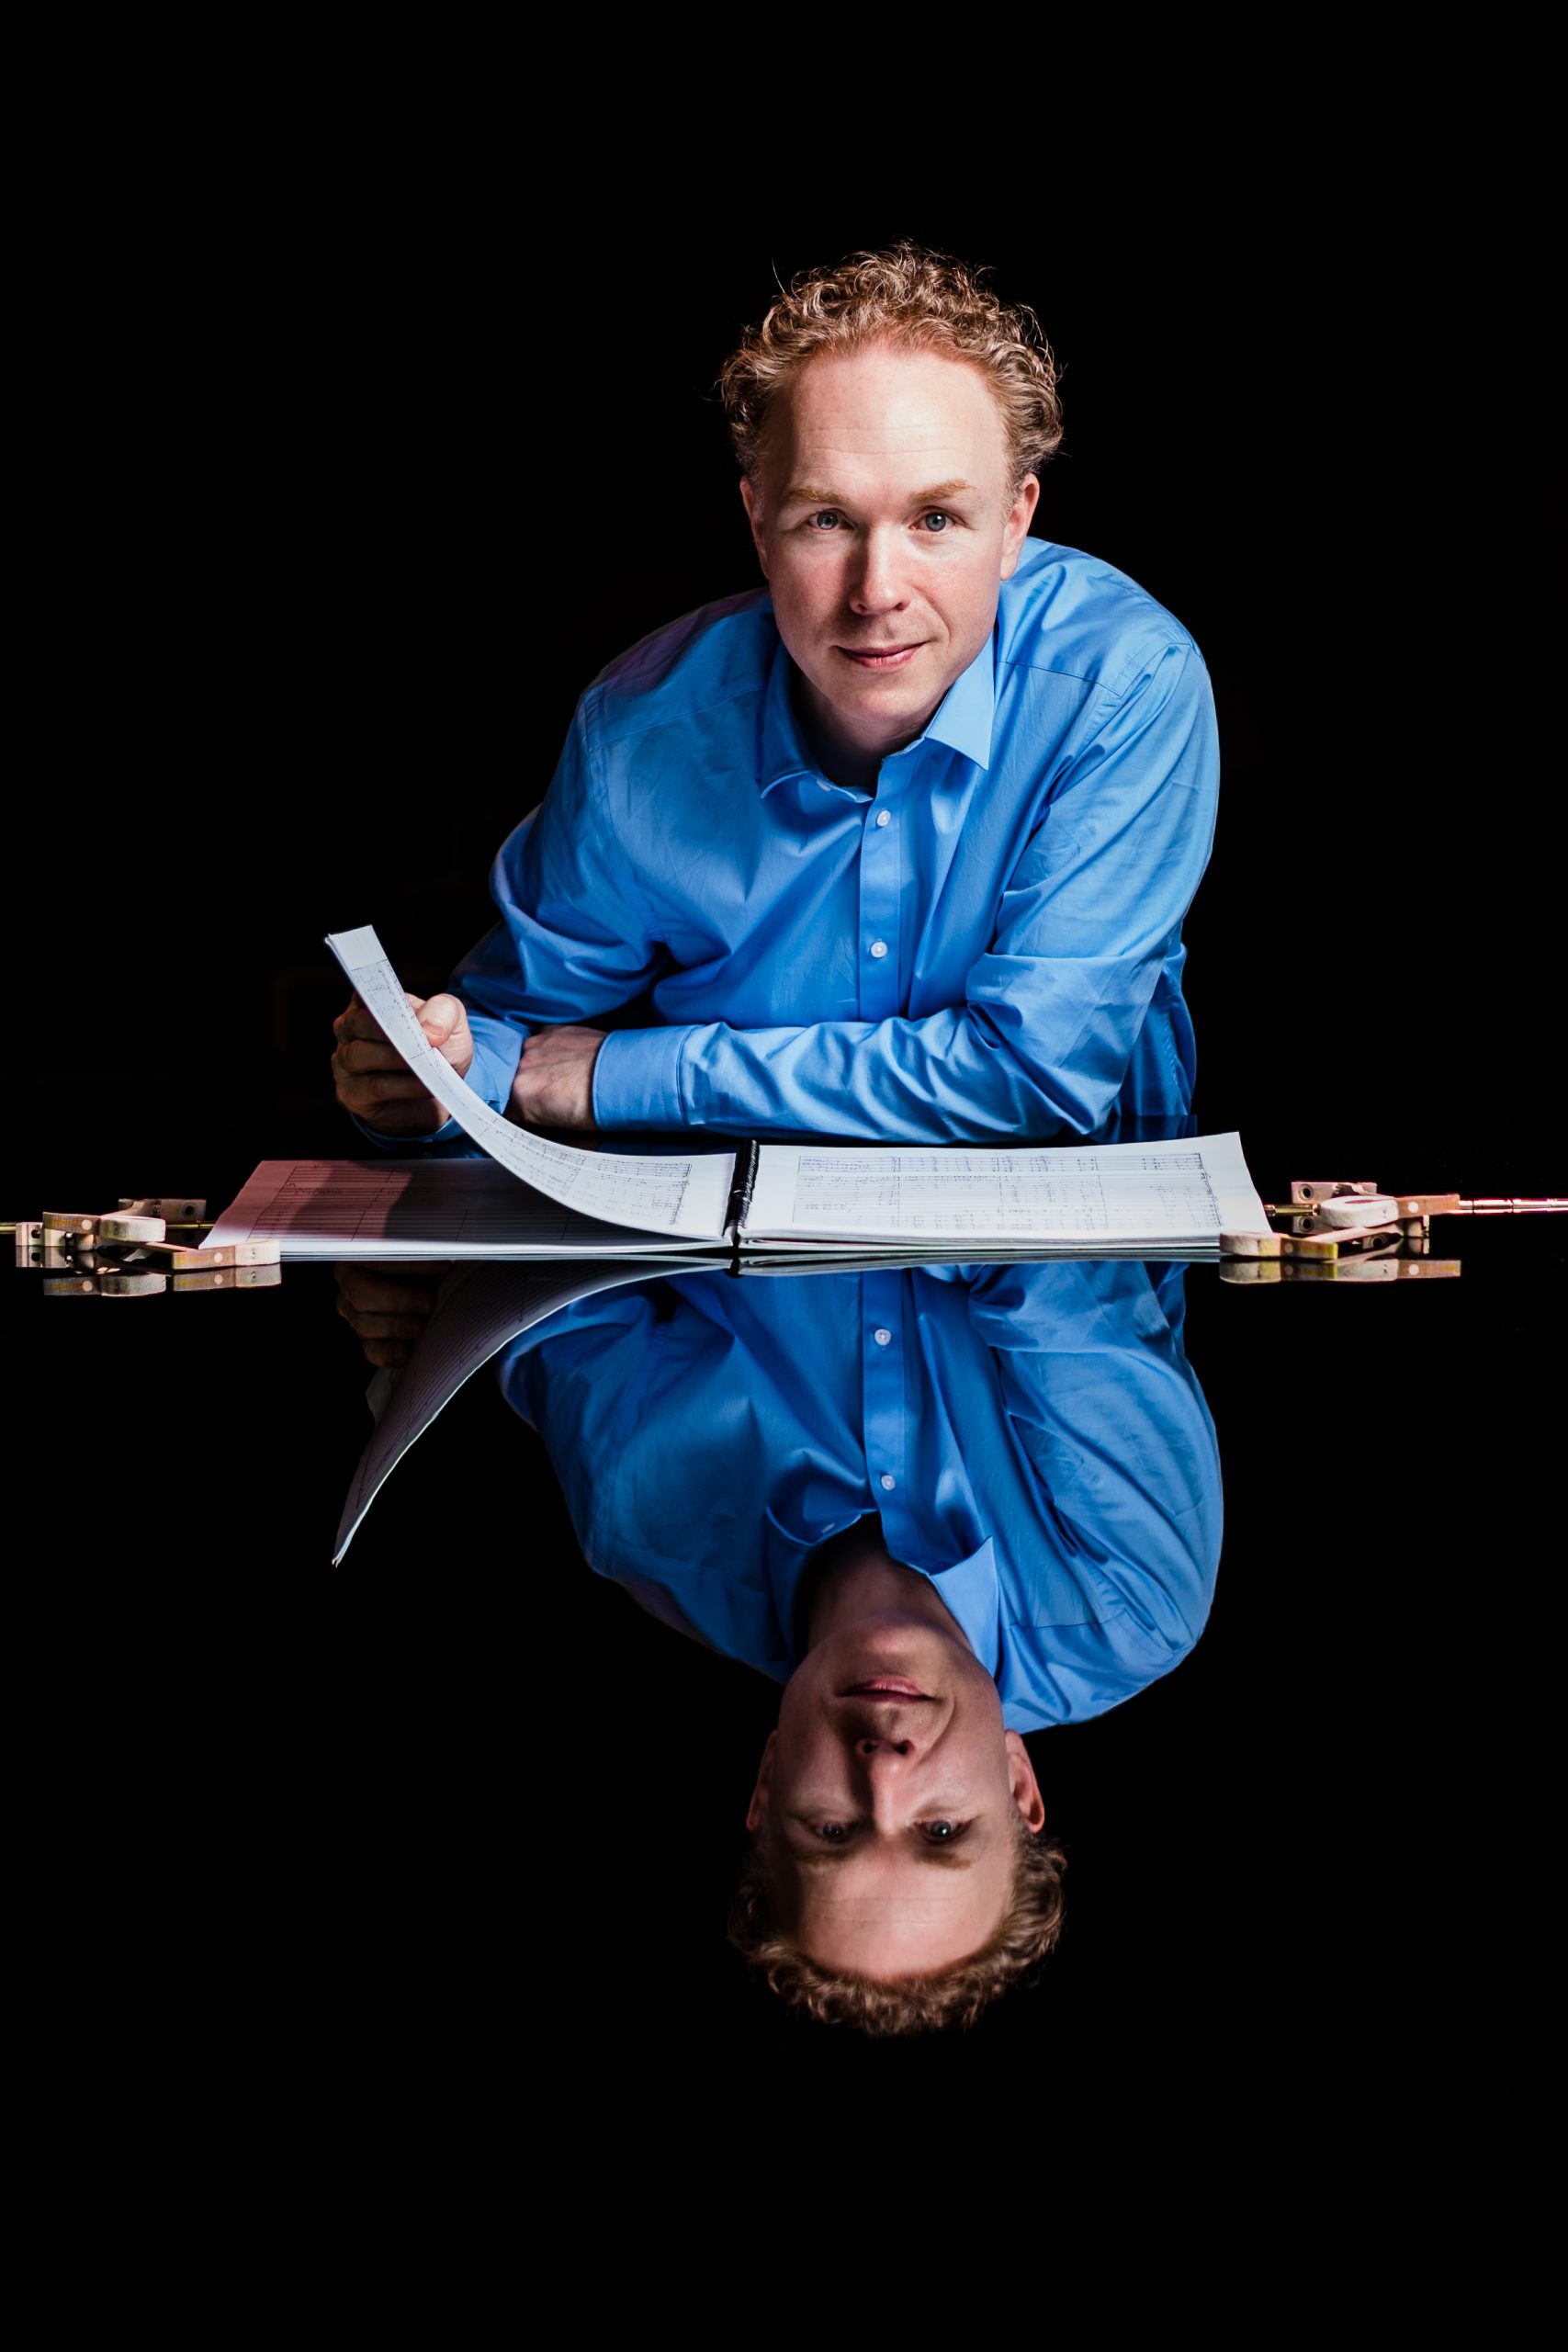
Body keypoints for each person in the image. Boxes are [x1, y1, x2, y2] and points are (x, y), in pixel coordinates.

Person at [331, 242, 1219, 1147]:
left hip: (1057, 1272)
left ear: (1015, 523)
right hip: (730, 1274)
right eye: (827, 519)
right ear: (759, 523)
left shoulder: (1120, 686)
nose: (877, 593)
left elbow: (1034, 1078)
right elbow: (503, 1030)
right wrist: (432, 1077)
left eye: (936, 520)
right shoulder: (642, 734)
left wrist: (630, 1073)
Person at [334, 1251, 1222, 2031]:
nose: (883, 1765)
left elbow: (522, 1259)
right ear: (1020, 1782)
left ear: (765, 1784)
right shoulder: (1129, 1605)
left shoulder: (644, 1519)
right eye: (942, 1827)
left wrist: (431, 1280)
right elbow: (1051, 1243)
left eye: (831, 1829)